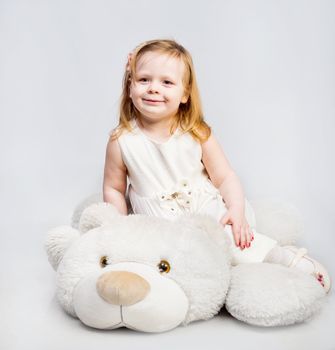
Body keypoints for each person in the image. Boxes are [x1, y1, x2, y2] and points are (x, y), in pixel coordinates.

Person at [102, 39, 331, 293]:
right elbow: (113, 188)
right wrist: (119, 229)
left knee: (230, 242)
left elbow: (225, 177)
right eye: (144, 79)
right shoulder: (121, 140)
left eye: (166, 82)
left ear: (185, 94)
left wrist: (236, 210)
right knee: (160, 262)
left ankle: (280, 257)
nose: (154, 88)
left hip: (205, 211)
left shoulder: (196, 133)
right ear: (130, 85)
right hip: (159, 222)